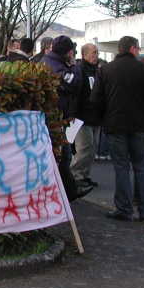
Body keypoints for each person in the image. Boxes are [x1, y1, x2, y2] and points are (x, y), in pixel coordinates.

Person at [90, 35, 144, 222]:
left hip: (115, 124)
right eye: (138, 48)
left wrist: (104, 118)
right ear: (132, 48)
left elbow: (96, 99)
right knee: (141, 168)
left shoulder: (105, 70)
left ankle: (124, 208)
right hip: (139, 125)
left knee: (121, 168)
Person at [42, 35, 89, 201]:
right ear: (69, 52)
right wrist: (75, 67)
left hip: (58, 117)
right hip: (55, 118)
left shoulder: (50, 62)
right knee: (63, 157)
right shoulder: (56, 66)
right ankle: (68, 193)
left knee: (64, 156)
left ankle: (68, 191)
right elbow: (74, 82)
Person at [70, 44, 101, 191]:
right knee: (84, 148)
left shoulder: (96, 71)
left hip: (94, 115)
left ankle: (84, 174)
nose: (96, 55)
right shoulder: (80, 70)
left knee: (92, 148)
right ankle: (75, 175)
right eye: (93, 53)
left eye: (97, 52)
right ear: (85, 55)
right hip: (82, 116)